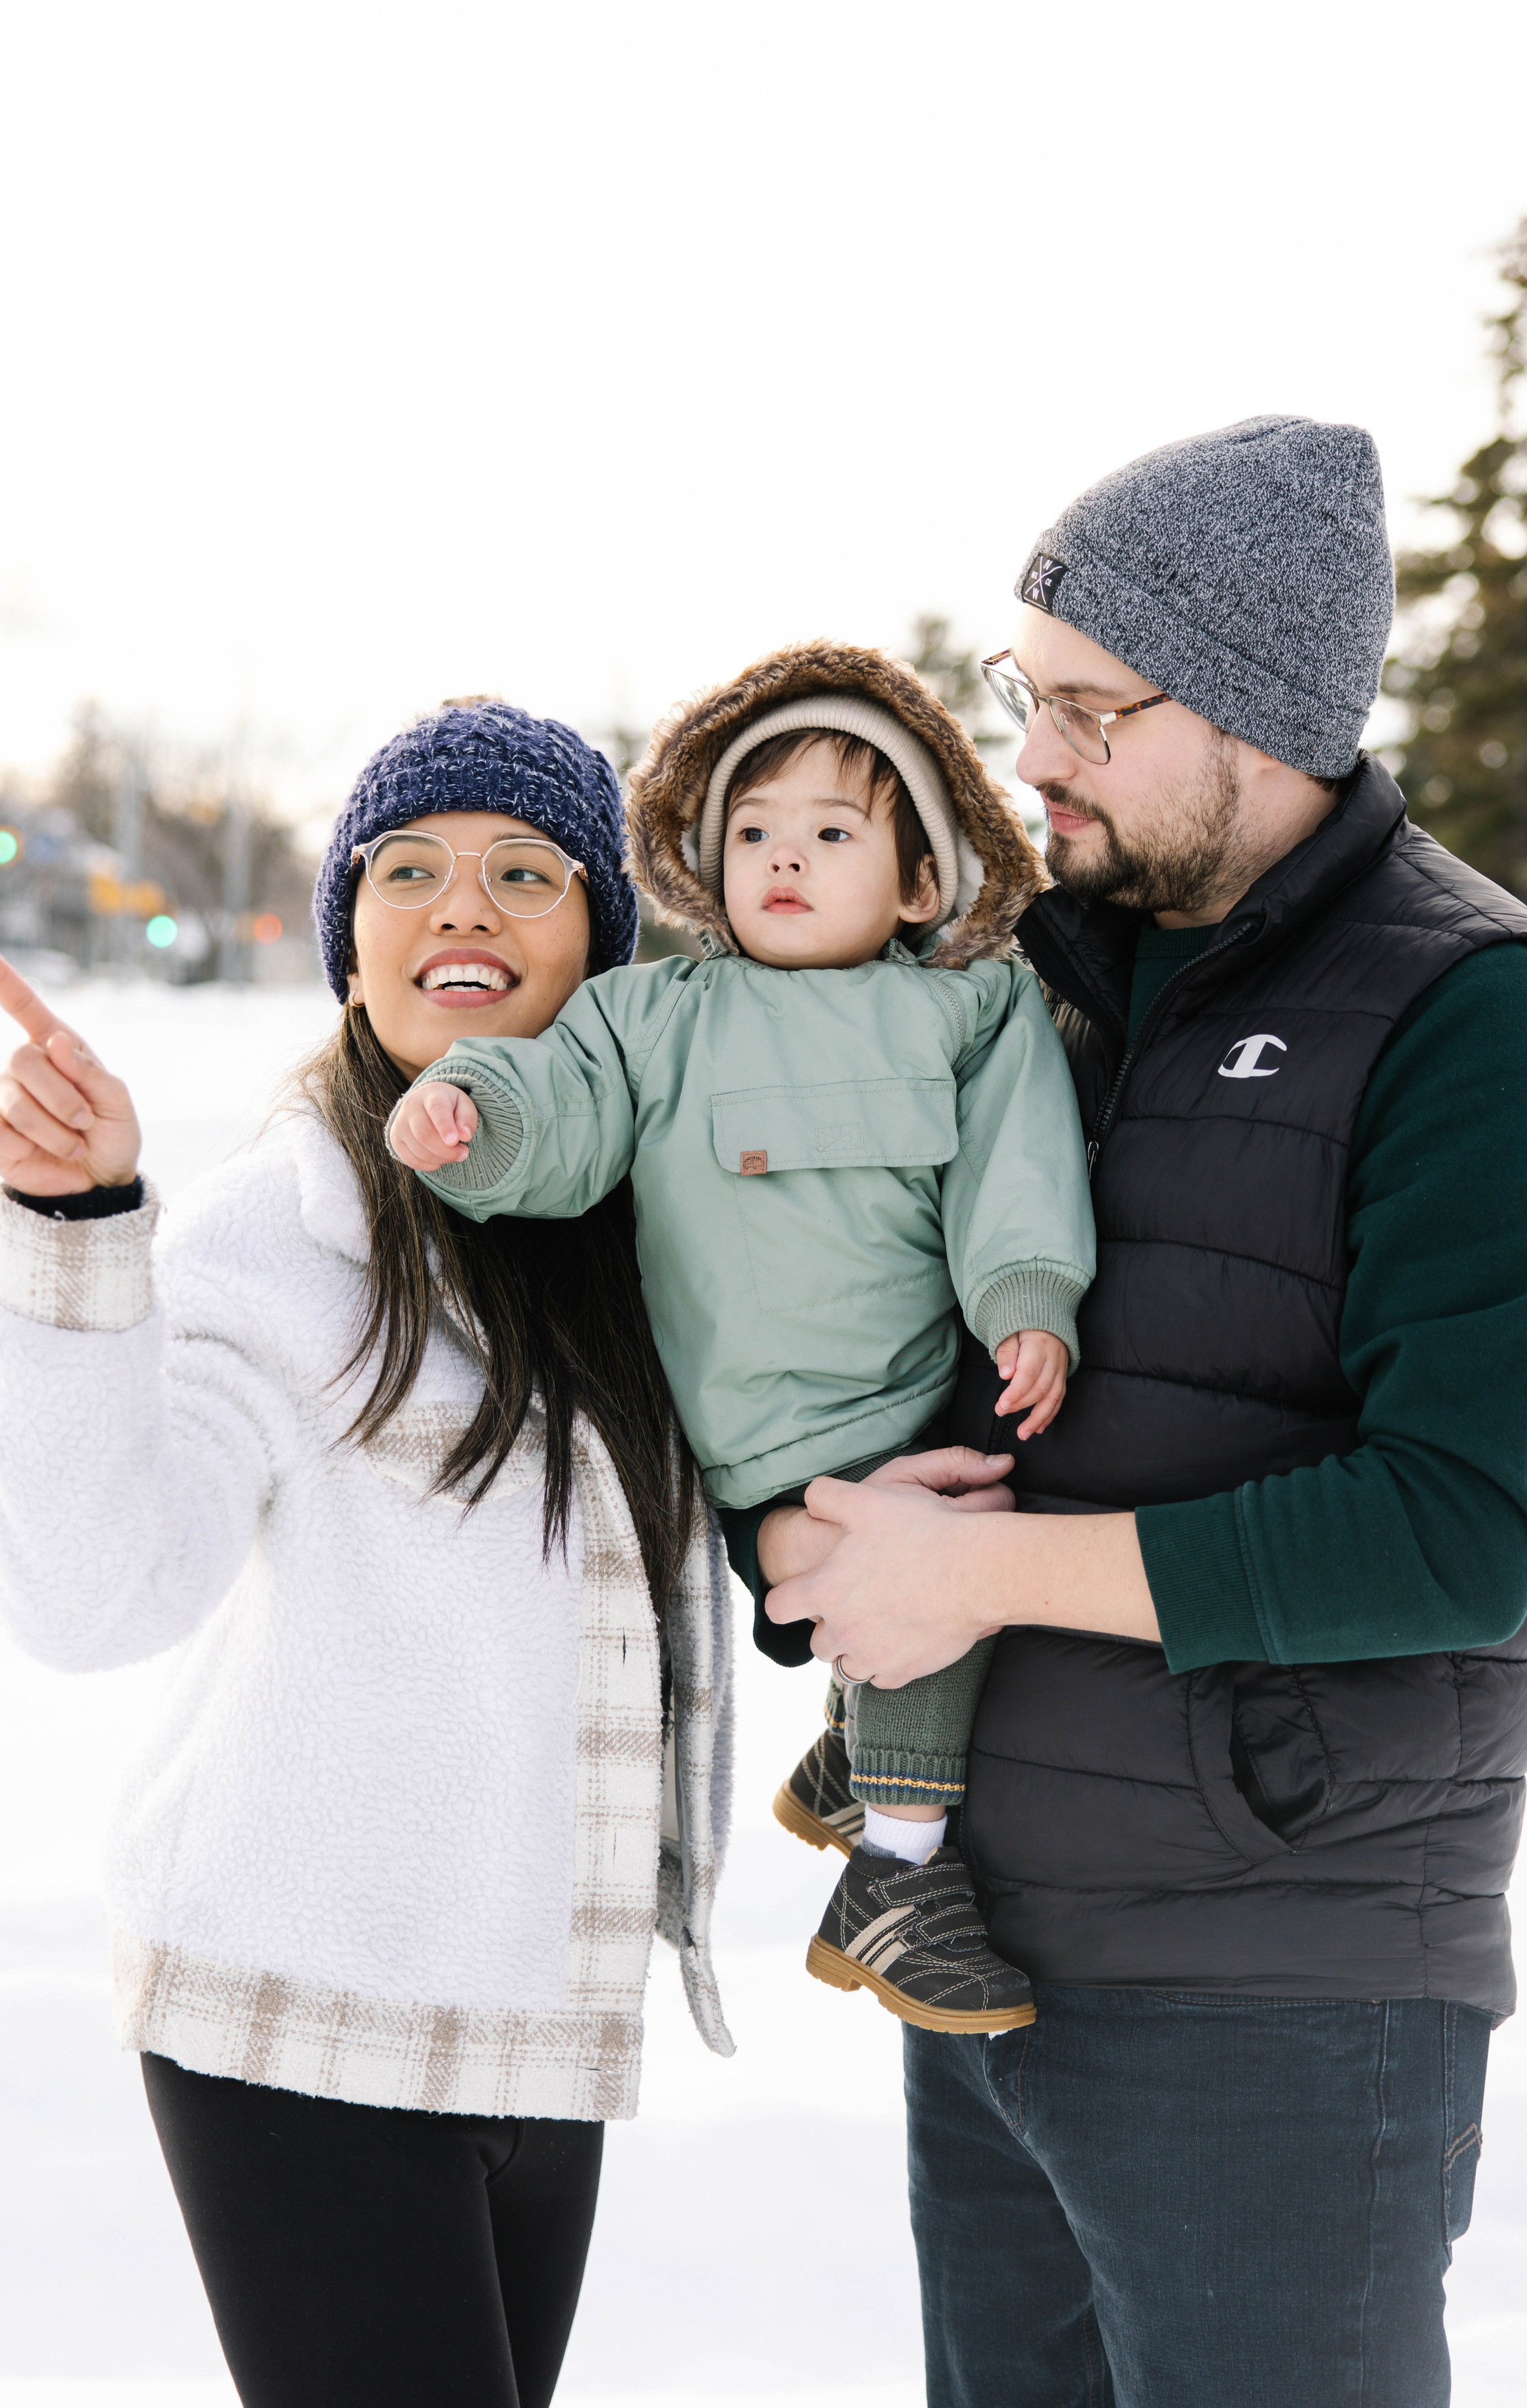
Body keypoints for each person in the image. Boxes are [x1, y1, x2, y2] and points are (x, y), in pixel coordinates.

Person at [757, 419, 1527, 2407]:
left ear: (1261, 711)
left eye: (1089, 707)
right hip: (986, 1946)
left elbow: (1452, 1523)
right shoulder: (1041, 984)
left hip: (1282, 1976)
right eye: (1026, 695)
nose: (1036, 753)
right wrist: (822, 1537)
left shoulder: (1480, 1014)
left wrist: (975, 1565)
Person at [0, 698, 735, 2408]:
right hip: (301, 2024)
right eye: (412, 869)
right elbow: (90, 1595)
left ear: (598, 944)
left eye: (524, 872)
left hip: (532, 2031)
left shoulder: (640, 1232)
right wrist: (81, 1235)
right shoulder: (289, 1234)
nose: (462, 905)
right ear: (352, 939)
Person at [386, 643, 1096, 2033]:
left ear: (917, 878)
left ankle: (852, 1764)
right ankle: (895, 1871)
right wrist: (476, 1118)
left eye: (831, 834)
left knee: (962, 1541)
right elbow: (561, 1107)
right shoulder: (654, 1013)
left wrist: (1026, 1295)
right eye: (752, 833)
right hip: (746, 1419)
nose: (783, 857)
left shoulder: (968, 1007)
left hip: (896, 1393)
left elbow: (1020, 1163)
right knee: (930, 1589)